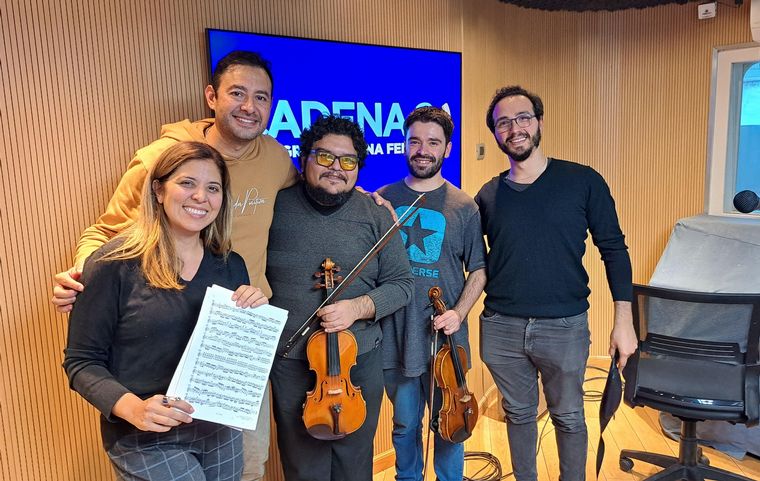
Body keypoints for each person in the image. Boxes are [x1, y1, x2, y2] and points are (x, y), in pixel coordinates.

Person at [53, 50, 297, 481]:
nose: (249, 106)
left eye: (261, 98)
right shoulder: (157, 158)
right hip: (150, 405)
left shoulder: (275, 159)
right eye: (237, 93)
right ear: (211, 96)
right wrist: (81, 276)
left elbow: (314, 192)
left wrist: (373, 201)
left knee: (250, 467)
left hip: (233, 358)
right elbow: (104, 231)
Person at [63, 141, 268, 481]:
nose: (200, 197)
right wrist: (134, 409)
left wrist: (252, 316)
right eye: (187, 183)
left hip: (218, 431)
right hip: (143, 435)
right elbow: (81, 361)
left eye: (212, 188)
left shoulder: (232, 266)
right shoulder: (112, 264)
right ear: (158, 190)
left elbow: (231, 356)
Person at [475, 85, 638, 481]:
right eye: (503, 123)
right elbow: (470, 260)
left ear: (539, 122)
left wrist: (624, 321)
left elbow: (614, 250)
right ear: (495, 134)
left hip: (563, 327)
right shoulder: (488, 196)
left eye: (523, 118)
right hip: (500, 327)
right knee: (518, 414)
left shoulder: (583, 181)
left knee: (568, 417)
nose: (515, 128)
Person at [266, 115, 414, 481]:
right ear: (304, 159)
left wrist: (358, 308)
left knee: (354, 467)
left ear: (358, 168)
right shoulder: (274, 207)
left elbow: (403, 284)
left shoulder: (377, 215)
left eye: (348, 161)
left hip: (358, 364)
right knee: (303, 469)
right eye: (324, 157)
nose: (336, 168)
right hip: (293, 364)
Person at [378, 107, 486, 481]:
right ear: (405, 145)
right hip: (397, 336)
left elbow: (479, 270)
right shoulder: (382, 199)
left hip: (446, 342)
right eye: (415, 141)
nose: (422, 149)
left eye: (433, 143)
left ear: (447, 149)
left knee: (450, 426)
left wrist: (458, 312)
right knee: (405, 426)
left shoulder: (464, 206)